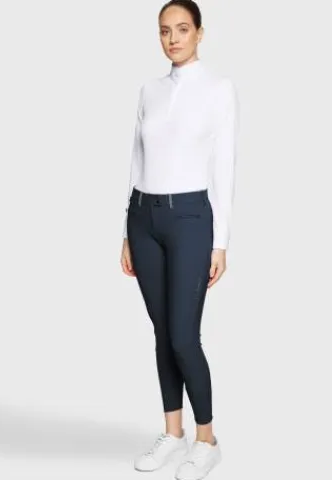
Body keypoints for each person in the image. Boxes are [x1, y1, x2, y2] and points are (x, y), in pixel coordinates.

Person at [120, 1, 239, 479]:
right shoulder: (149, 91)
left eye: (182, 29)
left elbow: (224, 166)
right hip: (143, 217)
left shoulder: (218, 89)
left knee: (184, 337)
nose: (172, 39)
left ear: (200, 33)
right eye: (165, 31)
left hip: (191, 218)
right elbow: (136, 160)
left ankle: (206, 440)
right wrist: (125, 231)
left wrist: (221, 241)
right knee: (162, 333)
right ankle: (173, 433)